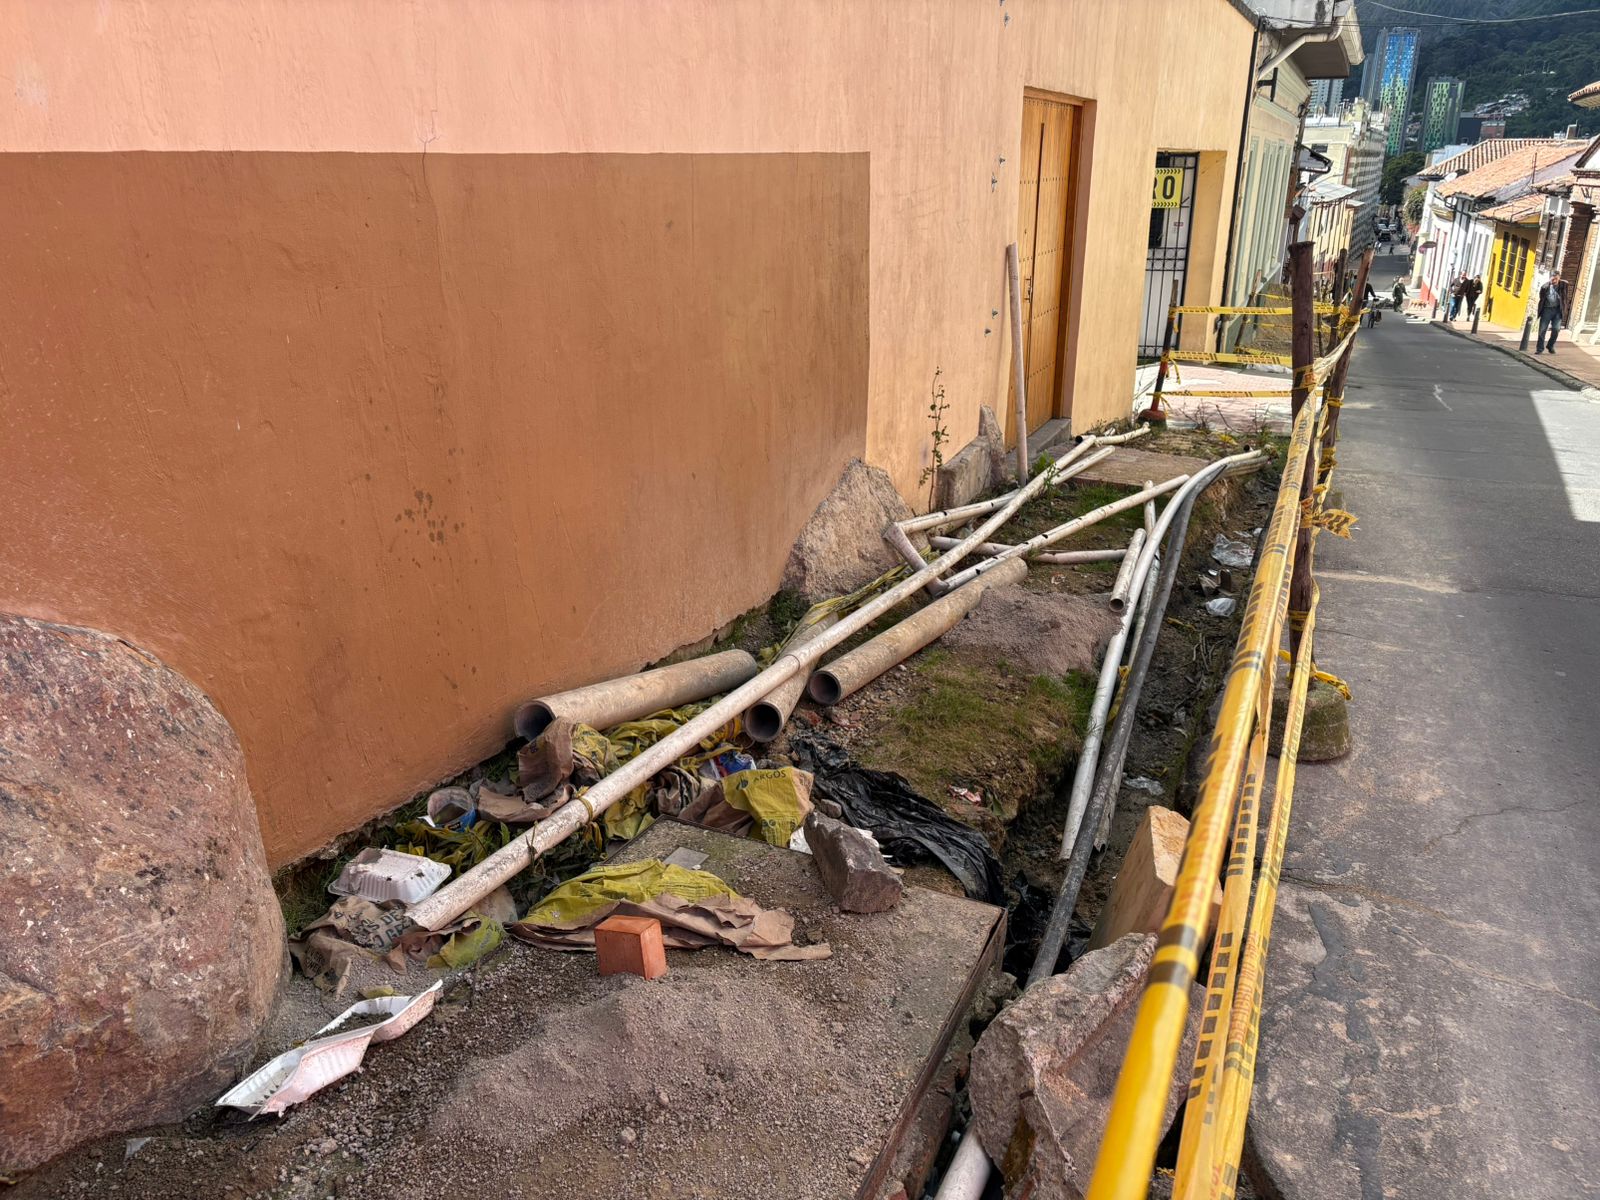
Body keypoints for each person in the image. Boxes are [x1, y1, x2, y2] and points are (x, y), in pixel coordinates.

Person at [1536, 271, 1568, 353]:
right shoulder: (1545, 287)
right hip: (1547, 309)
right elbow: (1541, 298)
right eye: (1553, 279)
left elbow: (1566, 285)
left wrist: (1564, 307)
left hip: (1557, 310)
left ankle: (1550, 345)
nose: (1555, 281)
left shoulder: (1563, 285)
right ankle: (1539, 349)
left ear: (1559, 278)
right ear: (1550, 278)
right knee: (1542, 330)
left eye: (1556, 279)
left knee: (1556, 329)